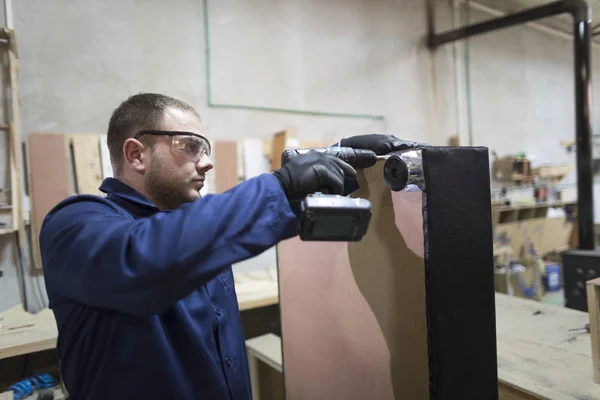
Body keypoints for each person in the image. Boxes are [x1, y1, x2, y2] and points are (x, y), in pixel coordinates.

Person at [39, 93, 424, 399]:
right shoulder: (75, 225)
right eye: (190, 147)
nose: (205, 163)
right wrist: (282, 184)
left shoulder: (198, 228)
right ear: (136, 154)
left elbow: (227, 224)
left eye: (205, 149)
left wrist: (330, 161)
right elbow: (143, 262)